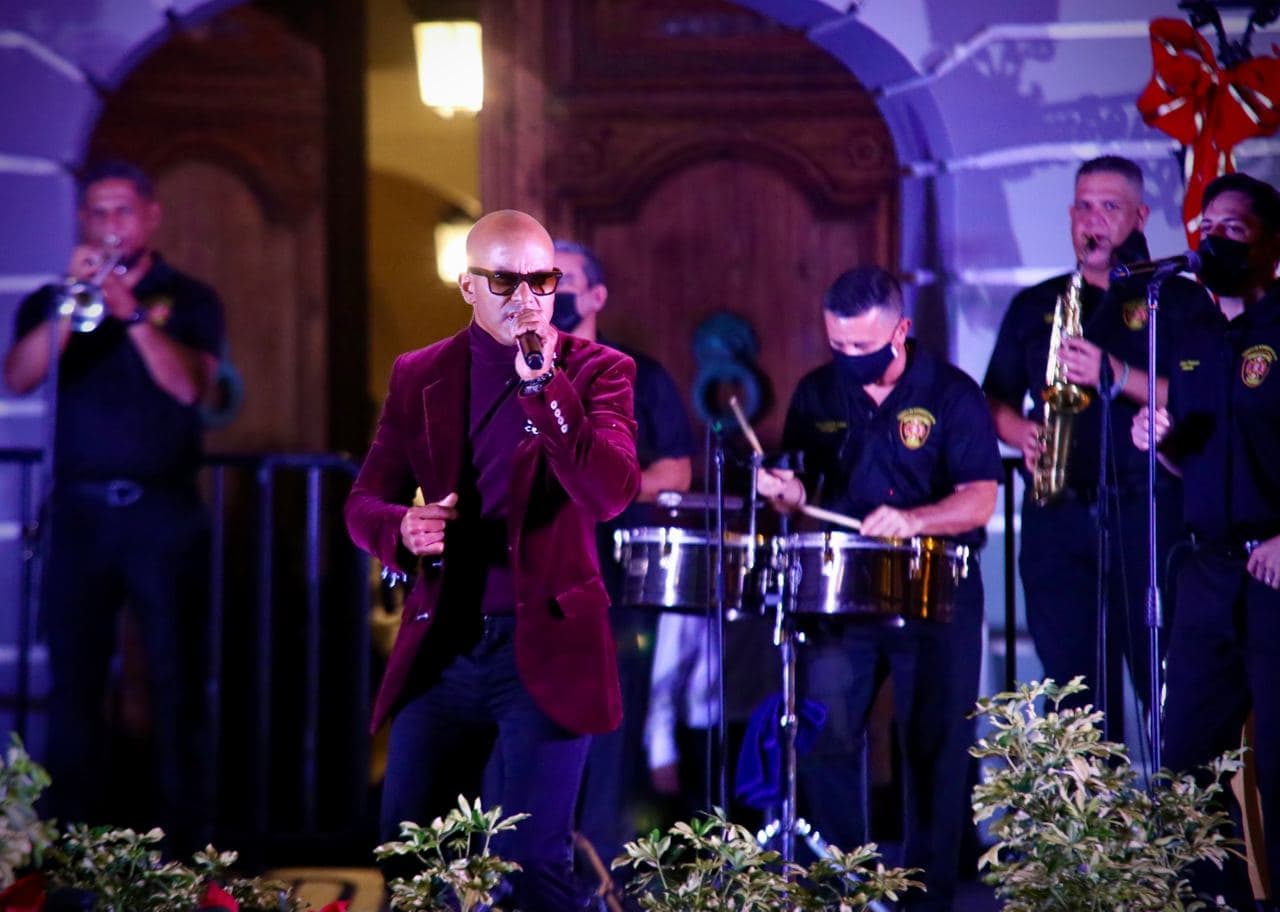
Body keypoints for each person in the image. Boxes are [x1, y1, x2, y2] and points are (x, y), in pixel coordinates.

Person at [344, 210, 640, 911]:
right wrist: (403, 528)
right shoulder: (420, 375)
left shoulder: (597, 371)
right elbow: (364, 504)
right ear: (467, 286)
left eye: (541, 280)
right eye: (505, 281)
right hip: (447, 644)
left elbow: (609, 493)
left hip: (546, 645)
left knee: (531, 862)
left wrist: (546, 390)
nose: (527, 298)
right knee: (412, 849)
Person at [757, 265, 1001, 911]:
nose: (849, 359)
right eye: (839, 347)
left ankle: (928, 898)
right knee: (826, 736)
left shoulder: (951, 393)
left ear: (901, 330)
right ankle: (849, 888)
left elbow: (980, 498)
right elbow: (801, 488)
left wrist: (915, 520)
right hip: (844, 593)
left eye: (864, 348)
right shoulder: (817, 392)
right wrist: (788, 495)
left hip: (936, 589)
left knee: (934, 748)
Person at [3, 159, 224, 852]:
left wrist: (130, 313)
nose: (107, 225)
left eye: (121, 211)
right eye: (96, 213)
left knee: (175, 676)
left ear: (151, 216)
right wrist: (75, 301)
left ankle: (181, 844)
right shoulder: (54, 297)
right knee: (74, 681)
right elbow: (20, 375)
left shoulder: (190, 299)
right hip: (81, 515)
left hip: (163, 513)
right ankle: (70, 843)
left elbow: (190, 390)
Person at [982, 155, 1208, 738]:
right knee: (1071, 701)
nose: (1094, 220)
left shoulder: (1176, 300)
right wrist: (1020, 433)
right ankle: (1085, 825)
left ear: (1140, 216)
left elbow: (1203, 395)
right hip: (1057, 514)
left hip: (1148, 512)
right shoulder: (1039, 304)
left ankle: (1180, 823)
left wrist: (1114, 372)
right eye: (1084, 205)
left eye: (1110, 207)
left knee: (1169, 692)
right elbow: (994, 400)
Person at [1133, 172, 1280, 912]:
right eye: (1208, 223)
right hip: (1206, 572)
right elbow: (1196, 454)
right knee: (1185, 759)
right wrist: (1155, 440)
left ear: (1270, 246)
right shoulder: (1188, 329)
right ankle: (1208, 902)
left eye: (1236, 228)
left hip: (1276, 573)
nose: (1215, 236)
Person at [551, 240, 695, 865]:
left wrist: (611, 479)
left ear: (596, 296)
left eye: (561, 281)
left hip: (615, 574)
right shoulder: (509, 368)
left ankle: (602, 868)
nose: (546, 292)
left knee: (610, 722)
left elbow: (679, 471)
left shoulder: (638, 374)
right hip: (529, 578)